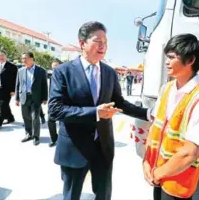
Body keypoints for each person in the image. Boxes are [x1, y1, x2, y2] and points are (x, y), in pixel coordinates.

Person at [48, 21, 151, 200]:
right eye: (98, 41)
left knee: (103, 194)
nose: (103, 46)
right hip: (75, 146)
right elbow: (55, 110)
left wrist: (148, 114)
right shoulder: (63, 72)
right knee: (71, 195)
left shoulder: (109, 72)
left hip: (102, 146)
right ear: (82, 43)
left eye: (106, 42)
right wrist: (95, 112)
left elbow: (119, 103)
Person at [142, 34, 199, 200]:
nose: (166, 62)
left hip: (178, 183)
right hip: (157, 174)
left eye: (171, 57)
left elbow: (188, 154)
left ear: (190, 60)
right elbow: (155, 128)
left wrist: (158, 173)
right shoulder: (166, 89)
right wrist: (146, 162)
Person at [15, 52, 48, 146]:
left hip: (36, 98)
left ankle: (36, 136)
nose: (23, 60)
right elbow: (18, 85)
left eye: (25, 58)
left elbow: (44, 85)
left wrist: (45, 98)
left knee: (35, 118)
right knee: (26, 117)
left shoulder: (41, 71)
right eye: (22, 58)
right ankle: (28, 134)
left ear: (32, 58)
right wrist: (17, 98)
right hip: (24, 97)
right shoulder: (20, 70)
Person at [0, 50, 18, 131]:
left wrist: (13, 90)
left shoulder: (12, 67)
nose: (1, 57)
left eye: (2, 55)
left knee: (2, 107)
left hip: (7, 90)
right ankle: (11, 118)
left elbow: (15, 80)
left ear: (6, 56)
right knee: (3, 106)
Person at [47, 59, 62, 147]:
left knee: (62, 123)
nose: (54, 69)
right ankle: (53, 138)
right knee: (50, 121)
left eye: (56, 66)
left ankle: (61, 139)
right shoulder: (52, 77)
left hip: (64, 103)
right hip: (53, 102)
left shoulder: (66, 76)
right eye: (53, 67)